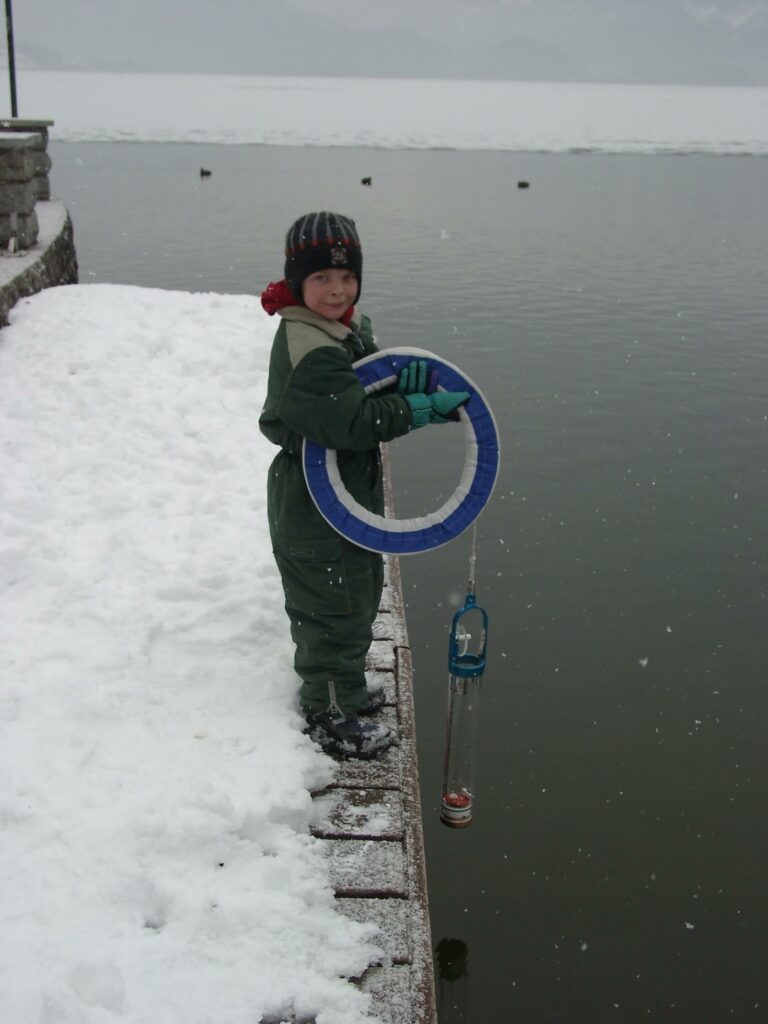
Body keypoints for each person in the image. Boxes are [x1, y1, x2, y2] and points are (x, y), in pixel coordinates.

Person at [259, 211, 469, 758]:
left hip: (343, 495)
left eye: (347, 276)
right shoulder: (309, 345)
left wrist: (404, 380)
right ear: (299, 281)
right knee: (329, 607)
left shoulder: (340, 332)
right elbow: (350, 420)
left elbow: (362, 384)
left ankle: (345, 688)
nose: (337, 289)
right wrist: (414, 409)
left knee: (356, 595)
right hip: (311, 504)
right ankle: (329, 709)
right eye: (323, 279)